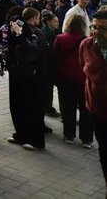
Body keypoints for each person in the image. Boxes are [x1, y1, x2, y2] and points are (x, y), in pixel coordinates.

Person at [6, 8, 47, 150]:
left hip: (32, 75)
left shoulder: (34, 32)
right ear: (34, 17)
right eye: (38, 17)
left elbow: (32, 49)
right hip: (22, 73)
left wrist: (19, 34)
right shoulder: (27, 29)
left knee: (31, 108)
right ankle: (22, 135)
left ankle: (35, 140)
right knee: (21, 106)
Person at [55, 12, 93, 147]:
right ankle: (87, 139)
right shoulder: (87, 40)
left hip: (66, 78)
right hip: (83, 78)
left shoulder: (60, 38)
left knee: (68, 107)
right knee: (86, 109)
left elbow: (56, 58)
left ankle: (69, 135)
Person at [80, 11, 107, 190]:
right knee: (104, 152)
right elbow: (82, 66)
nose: (96, 31)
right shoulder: (86, 44)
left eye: (102, 28)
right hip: (98, 107)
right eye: (94, 26)